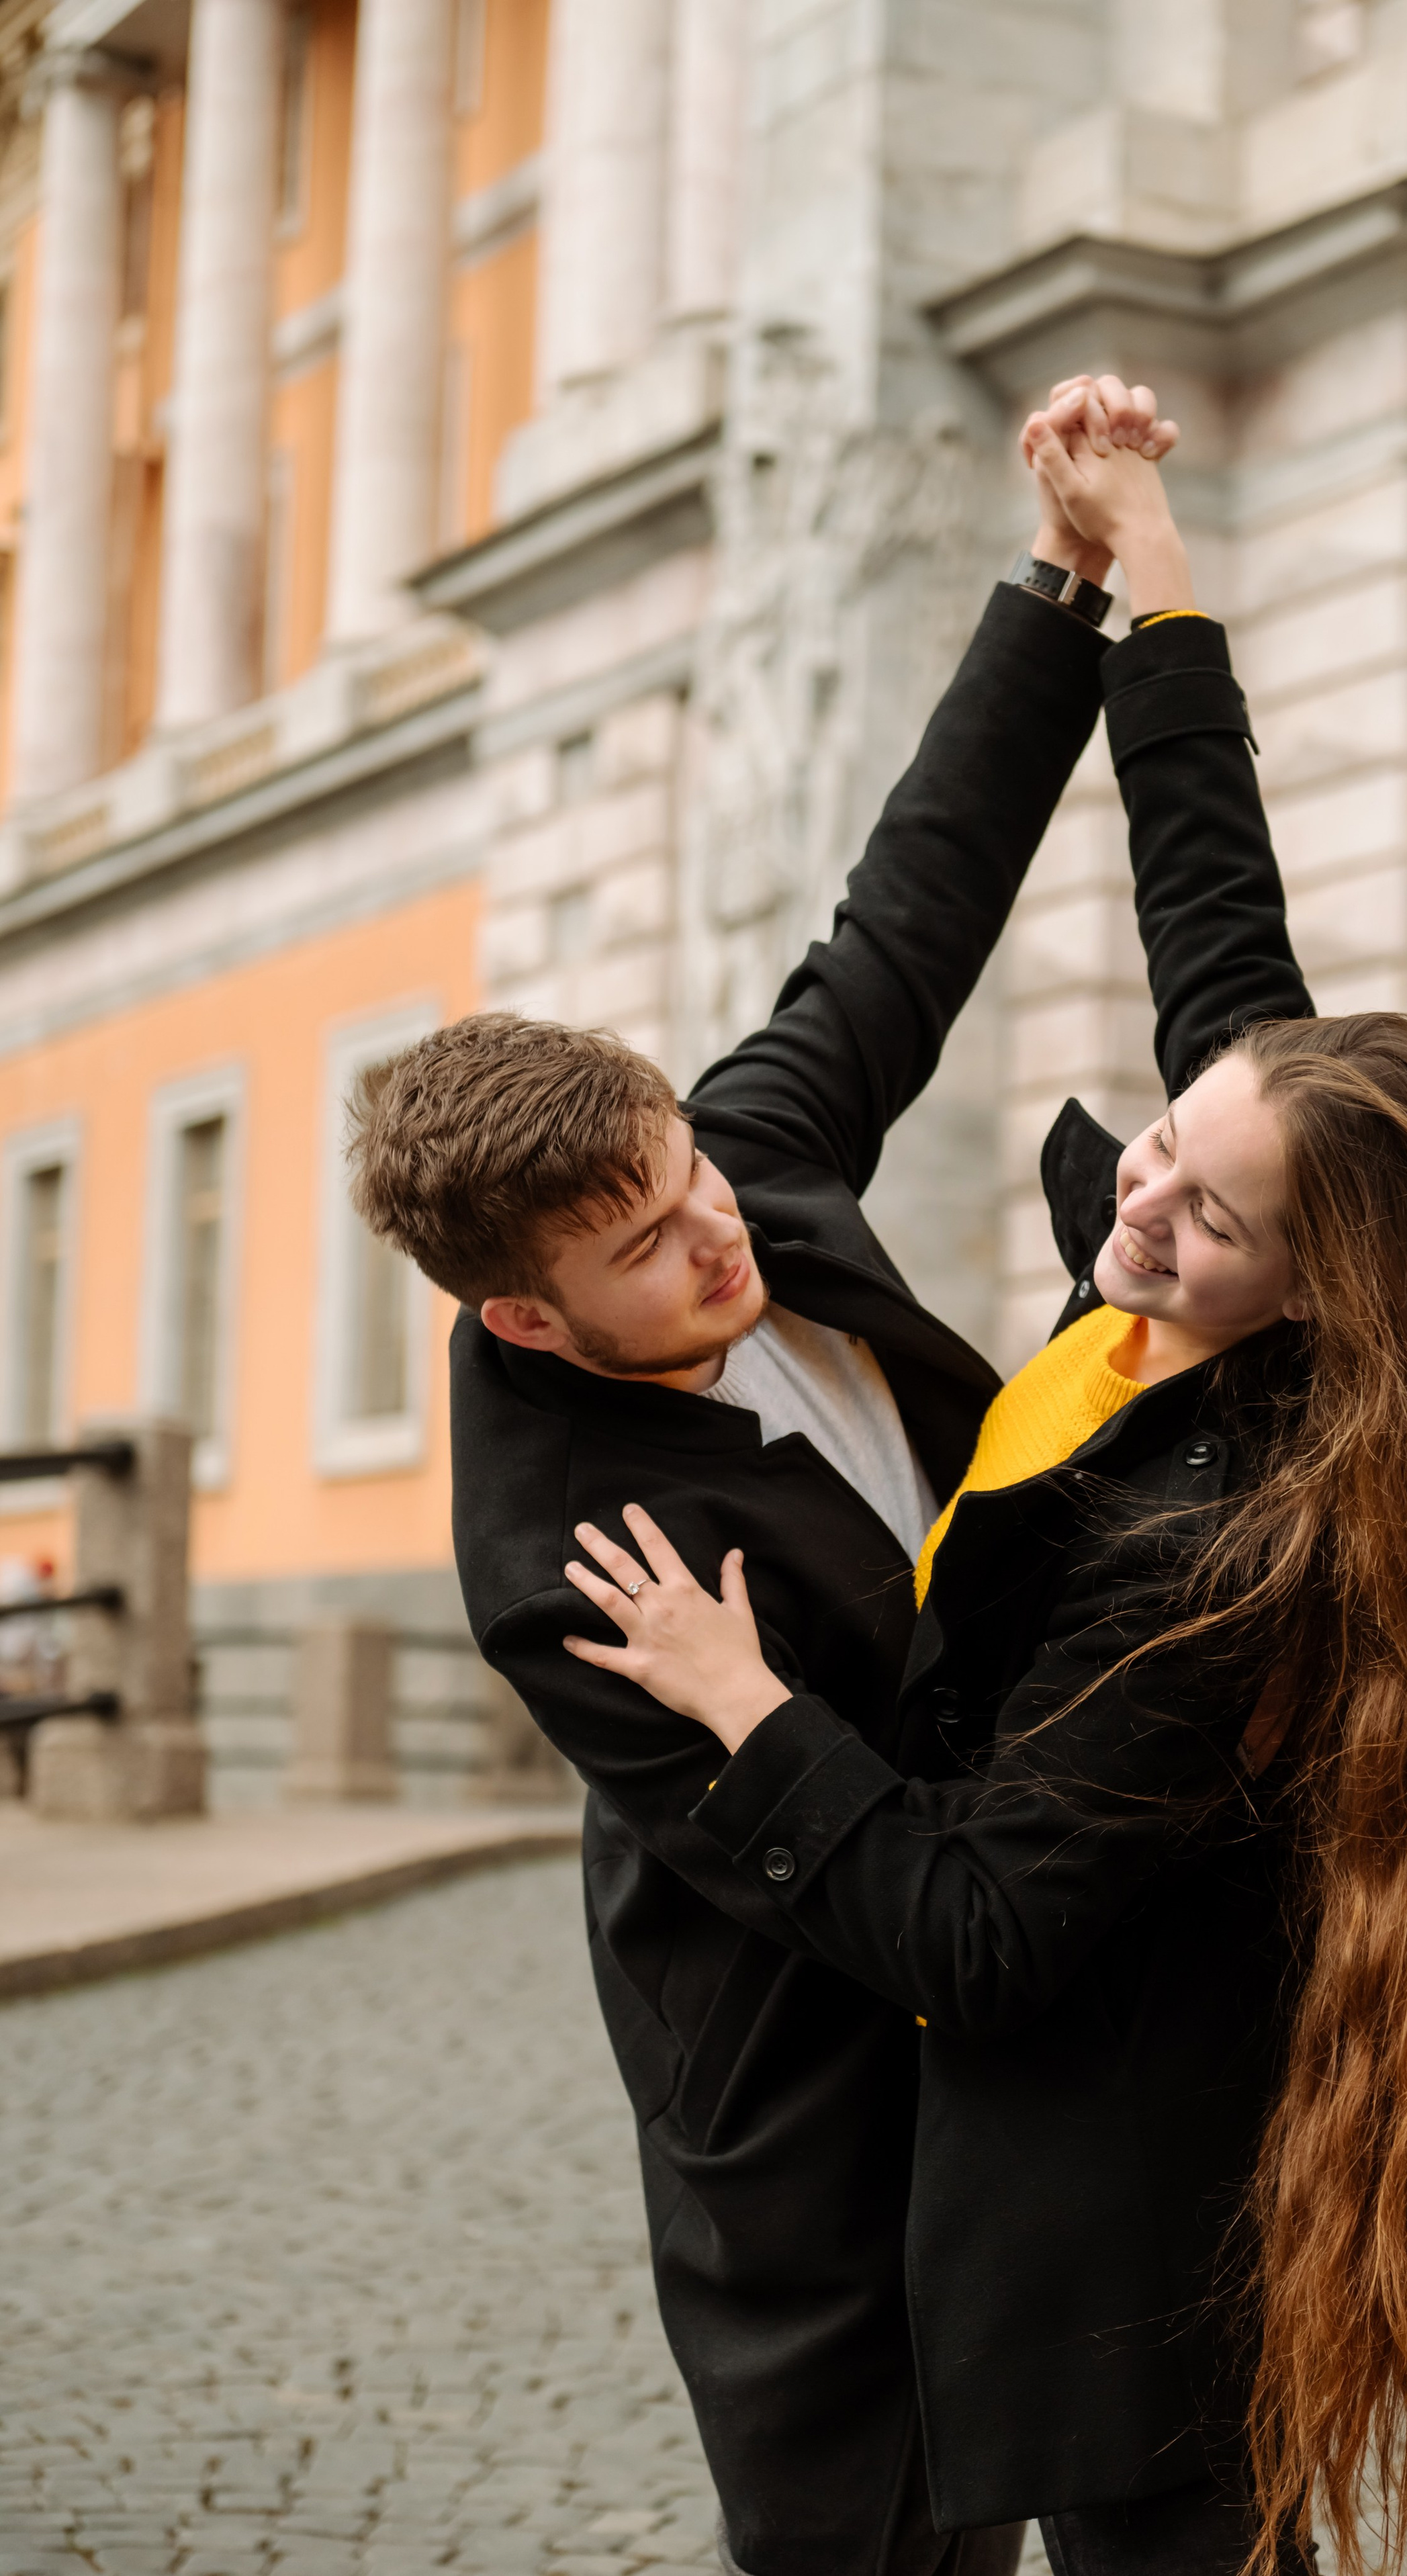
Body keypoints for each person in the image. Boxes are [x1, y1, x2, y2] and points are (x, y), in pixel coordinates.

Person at [556, 409, 1407, 2576]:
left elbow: (976, 1928)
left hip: (1124, 2190)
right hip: (1101, 2114)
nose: (1141, 1205)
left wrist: (746, 1707)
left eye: (1208, 1217)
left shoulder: (1219, 1554)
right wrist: (1142, 549)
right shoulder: (1234, 1212)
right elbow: (1213, 892)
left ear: (1319, 1286)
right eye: (1166, 1143)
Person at [347, 376, 1240, 2576]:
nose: (717, 1231)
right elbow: (863, 1839)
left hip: (1023, 1992)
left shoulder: (721, 1165)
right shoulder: (571, 1562)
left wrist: (1067, 578)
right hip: (816, 2088)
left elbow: (906, 913)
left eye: (692, 1173)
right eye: (648, 1246)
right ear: (527, 1320)